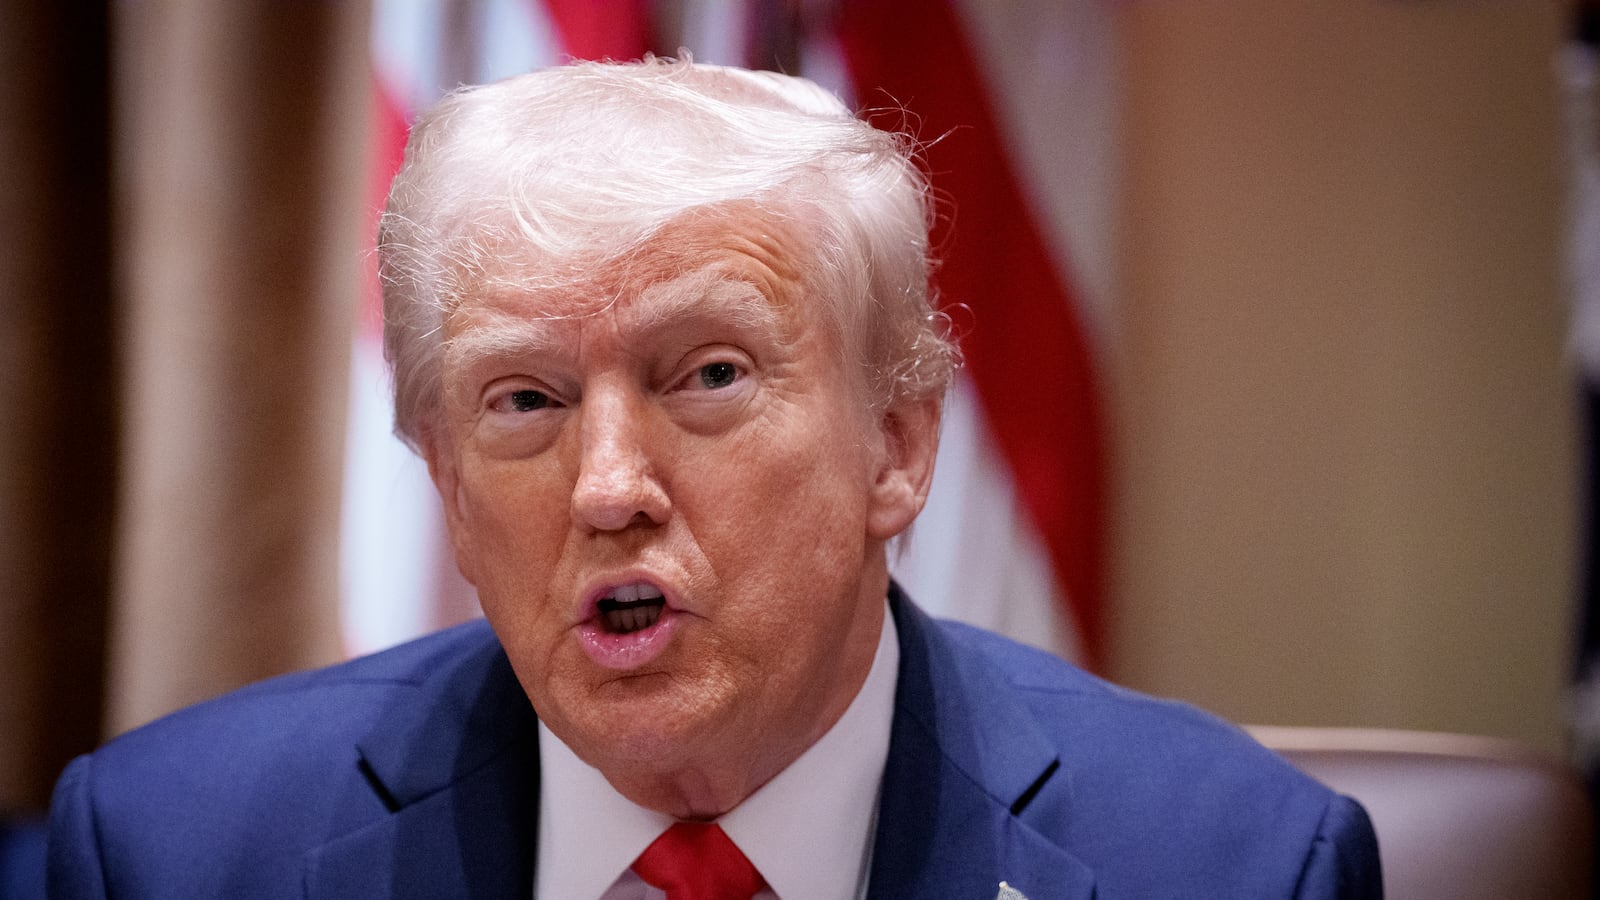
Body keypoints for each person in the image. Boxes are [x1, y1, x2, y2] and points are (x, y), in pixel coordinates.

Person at [47, 58, 1381, 899]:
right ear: (447, 483)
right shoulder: (172, 850)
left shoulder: (1238, 866)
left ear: (898, 448)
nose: (609, 487)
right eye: (526, 400)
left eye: (710, 378)